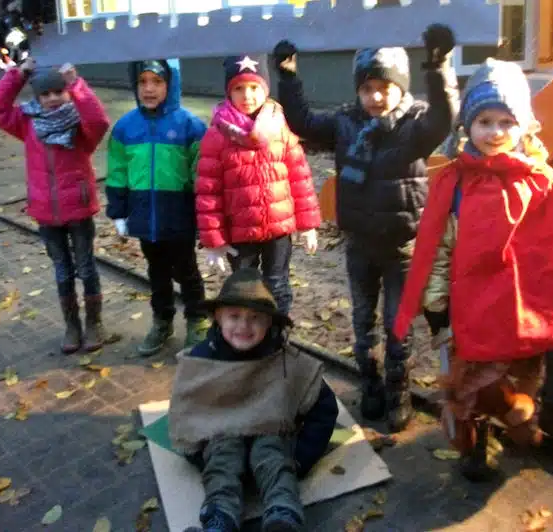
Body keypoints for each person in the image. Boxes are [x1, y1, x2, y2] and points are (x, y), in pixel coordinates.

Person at [393, 58, 553, 480]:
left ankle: (552, 413)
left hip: (531, 305)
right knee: (474, 377)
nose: (496, 132)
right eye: (485, 120)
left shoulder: (544, 183)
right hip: (477, 306)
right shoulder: (456, 185)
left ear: (524, 126)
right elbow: (439, 249)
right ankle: (474, 440)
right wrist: (437, 308)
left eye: (507, 121)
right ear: (468, 125)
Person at [273, 25, 459, 431]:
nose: (376, 97)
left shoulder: (416, 126)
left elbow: (446, 118)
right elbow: (302, 121)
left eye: (385, 88)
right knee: (362, 322)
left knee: (398, 324)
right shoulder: (345, 124)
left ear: (400, 88)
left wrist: (438, 66)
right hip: (359, 245)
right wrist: (287, 77)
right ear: (357, 90)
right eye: (367, 88)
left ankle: (398, 388)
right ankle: (370, 382)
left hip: (403, 249)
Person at [170, 268, 338, 532]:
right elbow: (188, 416)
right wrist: (204, 462)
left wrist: (302, 458)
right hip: (222, 434)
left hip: (270, 431)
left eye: (255, 318)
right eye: (234, 316)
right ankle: (219, 518)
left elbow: (324, 406)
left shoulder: (284, 359)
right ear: (217, 317)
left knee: (272, 454)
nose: (244, 326)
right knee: (223, 458)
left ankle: (283, 514)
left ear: (270, 322)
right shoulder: (202, 360)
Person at [0, 57, 111, 353]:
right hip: (46, 212)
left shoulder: (80, 126)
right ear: (37, 97)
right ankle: (72, 326)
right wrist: (18, 75)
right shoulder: (27, 123)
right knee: (62, 270)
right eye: (46, 94)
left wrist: (77, 85)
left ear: (66, 92)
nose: (53, 98)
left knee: (86, 268)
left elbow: (99, 121)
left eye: (59, 91)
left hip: (78, 209)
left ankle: (94, 324)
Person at [195, 54, 321, 316]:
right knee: (244, 290)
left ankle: (278, 336)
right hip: (239, 233)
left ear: (265, 88)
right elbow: (209, 192)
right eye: (239, 88)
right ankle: (248, 339)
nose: (247, 95)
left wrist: (307, 224)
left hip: (278, 229)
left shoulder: (281, 126)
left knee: (278, 284)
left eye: (254, 87)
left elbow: (299, 176)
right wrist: (213, 239)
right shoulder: (218, 134)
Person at [106, 59, 211, 356]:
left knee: (187, 271)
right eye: (143, 82)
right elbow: (117, 172)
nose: (149, 88)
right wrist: (119, 211)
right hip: (143, 217)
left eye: (157, 81)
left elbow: (202, 175)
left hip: (178, 216)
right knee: (157, 273)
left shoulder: (189, 126)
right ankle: (162, 320)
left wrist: (204, 216)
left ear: (171, 83)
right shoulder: (125, 128)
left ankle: (197, 319)